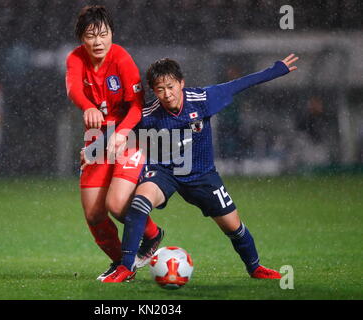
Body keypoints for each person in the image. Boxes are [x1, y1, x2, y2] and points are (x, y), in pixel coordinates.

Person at [101, 54, 299, 282]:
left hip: (203, 176)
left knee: (234, 228)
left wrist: (277, 69)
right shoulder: (149, 114)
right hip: (166, 173)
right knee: (139, 203)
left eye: (170, 86)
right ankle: (126, 267)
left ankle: (255, 268)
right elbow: (120, 130)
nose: (167, 94)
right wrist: (91, 151)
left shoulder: (203, 99)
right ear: (153, 91)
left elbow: (239, 84)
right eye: (159, 89)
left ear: (181, 83)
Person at [65, 5, 163, 281]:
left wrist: (120, 135)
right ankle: (122, 263)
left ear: (112, 34)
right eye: (90, 35)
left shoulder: (121, 57)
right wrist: (87, 107)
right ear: (81, 38)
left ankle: (153, 234)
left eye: (103, 34)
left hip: (129, 133)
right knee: (94, 214)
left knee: (117, 205)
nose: (98, 41)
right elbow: (72, 87)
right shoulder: (75, 59)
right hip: (98, 139)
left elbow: (136, 106)